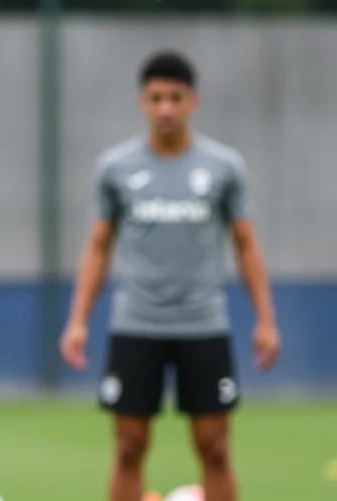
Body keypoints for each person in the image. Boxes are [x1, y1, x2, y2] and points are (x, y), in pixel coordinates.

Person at [59, 52, 282, 501]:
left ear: (192, 102)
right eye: (157, 98)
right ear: (143, 101)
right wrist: (78, 319)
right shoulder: (116, 167)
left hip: (204, 324)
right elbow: (99, 247)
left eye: (175, 98)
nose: (166, 108)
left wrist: (266, 319)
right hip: (136, 323)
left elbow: (246, 245)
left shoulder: (223, 166)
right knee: (128, 447)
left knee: (215, 447)